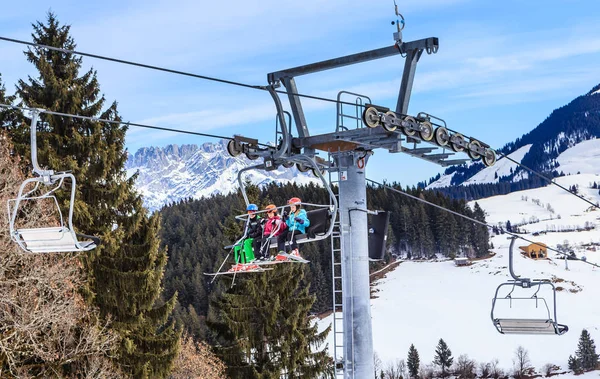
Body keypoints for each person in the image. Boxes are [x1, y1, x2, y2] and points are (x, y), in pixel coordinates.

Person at [231, 204, 262, 271]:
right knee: (237, 245)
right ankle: (239, 263)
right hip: (249, 237)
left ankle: (251, 261)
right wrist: (239, 238)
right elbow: (245, 231)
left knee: (246, 242)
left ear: (256, 212)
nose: (251, 214)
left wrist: (251, 235)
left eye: (252, 211)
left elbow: (259, 231)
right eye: (249, 212)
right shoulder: (247, 221)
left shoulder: (258, 220)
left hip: (256, 237)